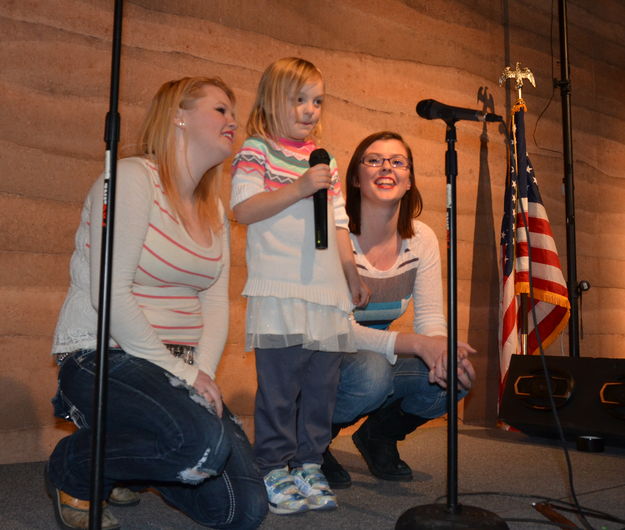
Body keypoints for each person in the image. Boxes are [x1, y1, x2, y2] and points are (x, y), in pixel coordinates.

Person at [46, 77, 267, 530]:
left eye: (233, 112)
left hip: (176, 366)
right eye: (220, 109)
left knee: (240, 511)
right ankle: (74, 467)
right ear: (178, 117)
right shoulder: (129, 178)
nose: (233, 120)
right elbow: (109, 293)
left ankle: (129, 460)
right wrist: (187, 376)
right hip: (104, 355)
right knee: (200, 443)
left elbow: (215, 306)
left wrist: (200, 377)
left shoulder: (213, 210)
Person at [230, 57, 369, 515]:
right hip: (282, 290)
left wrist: (351, 274)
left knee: (321, 388)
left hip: (326, 294)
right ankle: (272, 465)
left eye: (317, 101)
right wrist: (299, 186)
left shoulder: (324, 160)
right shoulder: (257, 149)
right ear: (273, 99)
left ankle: (309, 463)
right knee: (280, 386)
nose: (310, 109)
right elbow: (244, 209)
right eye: (299, 99)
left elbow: (340, 223)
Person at [321, 131, 476, 488]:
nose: (386, 167)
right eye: (373, 160)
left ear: (409, 181)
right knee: (371, 372)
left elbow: (431, 319)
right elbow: (339, 329)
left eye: (397, 162)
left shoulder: (421, 238)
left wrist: (439, 351)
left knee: (454, 375)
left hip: (372, 355)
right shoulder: (334, 236)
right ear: (356, 179)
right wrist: (418, 345)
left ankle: (377, 436)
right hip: (322, 355)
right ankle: (313, 439)